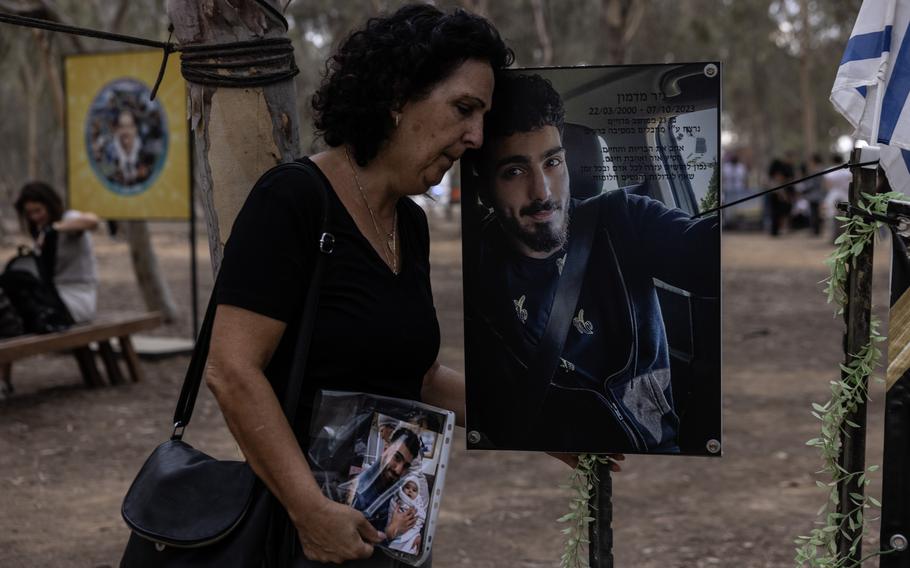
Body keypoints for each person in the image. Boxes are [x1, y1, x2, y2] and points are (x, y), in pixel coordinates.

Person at [203, 5, 513, 566]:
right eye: (464, 109)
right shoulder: (293, 201)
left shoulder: (410, 223)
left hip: (383, 534)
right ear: (397, 95)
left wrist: (534, 422)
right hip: (296, 537)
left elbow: (415, 378)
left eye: (483, 118)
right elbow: (231, 369)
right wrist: (308, 510)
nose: (476, 137)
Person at [464, 73, 719, 454]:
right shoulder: (471, 268)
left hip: (650, 454)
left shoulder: (625, 218)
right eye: (514, 171)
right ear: (484, 187)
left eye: (552, 162)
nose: (543, 192)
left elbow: (708, 257)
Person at [13, 182, 99, 323]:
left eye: (38, 210)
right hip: (51, 296)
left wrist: (55, 227)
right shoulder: (40, 231)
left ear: (49, 205)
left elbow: (92, 221)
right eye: (30, 213)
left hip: (75, 297)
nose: (34, 217)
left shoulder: (68, 220)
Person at [346, 428, 422, 540]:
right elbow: (352, 542)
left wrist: (416, 534)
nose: (399, 470)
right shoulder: (359, 495)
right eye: (397, 457)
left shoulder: (400, 486)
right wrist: (391, 531)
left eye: (405, 466)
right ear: (385, 449)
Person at [386, 474, 427, 555]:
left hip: (412, 533)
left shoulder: (418, 503)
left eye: (414, 490)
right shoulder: (397, 499)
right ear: (402, 488)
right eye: (407, 487)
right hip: (395, 531)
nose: (410, 491)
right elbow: (392, 510)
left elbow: (422, 517)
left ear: (417, 494)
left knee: (411, 547)